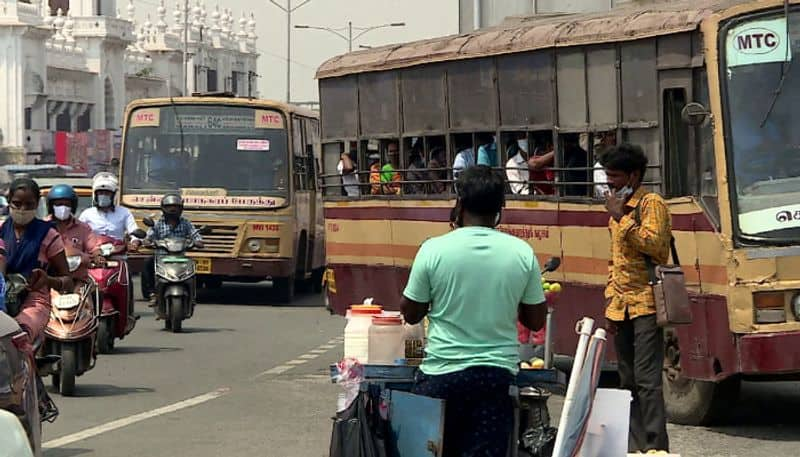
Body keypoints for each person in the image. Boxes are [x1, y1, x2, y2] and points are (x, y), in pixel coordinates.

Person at [401, 165, 547, 457]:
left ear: (460, 203)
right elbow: (535, 319)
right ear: (499, 209)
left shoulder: (433, 249)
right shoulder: (521, 252)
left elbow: (411, 313)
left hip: (441, 376)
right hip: (495, 380)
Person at [602, 143, 671, 454]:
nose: (609, 184)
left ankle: (657, 447)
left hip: (646, 302)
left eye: (614, 177)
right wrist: (609, 301)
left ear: (634, 175)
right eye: (607, 177)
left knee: (647, 381)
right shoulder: (618, 208)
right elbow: (614, 262)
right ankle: (634, 446)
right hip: (621, 307)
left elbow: (657, 247)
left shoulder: (650, 204)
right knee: (627, 381)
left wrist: (623, 219)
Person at [1, 178, 72, 343]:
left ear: (37, 204)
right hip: (3, 297)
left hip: (34, 300)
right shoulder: (2, 231)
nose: (22, 209)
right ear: (9, 202)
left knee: (19, 336)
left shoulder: (49, 235)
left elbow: (67, 280)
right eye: (17, 204)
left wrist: (48, 280)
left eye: (29, 204)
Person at [142, 194, 204, 304]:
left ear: (181, 209)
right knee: (147, 262)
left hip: (180, 258)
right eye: (169, 207)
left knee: (193, 268)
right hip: (161, 257)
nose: (172, 209)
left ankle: (192, 295)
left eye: (176, 207)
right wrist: (147, 242)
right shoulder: (157, 224)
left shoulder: (186, 223)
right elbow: (148, 237)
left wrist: (198, 242)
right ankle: (152, 293)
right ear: (163, 208)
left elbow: (195, 235)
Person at [46, 184, 100, 284]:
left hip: (78, 281)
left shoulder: (83, 228)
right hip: (50, 282)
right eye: (59, 204)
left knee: (87, 299)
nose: (63, 207)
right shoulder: (42, 227)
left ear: (73, 206)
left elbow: (94, 248)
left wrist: (97, 256)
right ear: (51, 206)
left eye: (67, 204)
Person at [79, 172, 141, 248]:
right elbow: (78, 233)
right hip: (93, 253)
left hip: (118, 253)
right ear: (95, 195)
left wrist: (135, 242)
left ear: (113, 195)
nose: (103, 196)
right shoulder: (87, 214)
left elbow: (134, 232)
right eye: (100, 193)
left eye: (107, 193)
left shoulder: (124, 212)